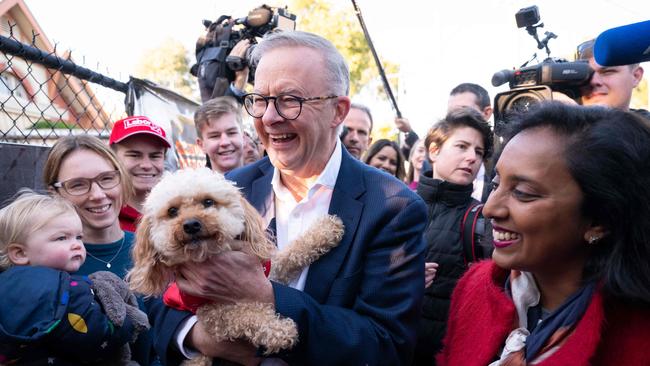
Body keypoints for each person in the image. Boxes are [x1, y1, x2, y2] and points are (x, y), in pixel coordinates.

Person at [150, 30, 428, 366]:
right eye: (260, 100)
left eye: (289, 100)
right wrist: (196, 335)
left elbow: (386, 346)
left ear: (337, 111)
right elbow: (158, 301)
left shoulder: (392, 206)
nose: (268, 117)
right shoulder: (227, 189)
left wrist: (266, 297)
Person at [438, 102, 650, 365]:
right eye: (495, 184)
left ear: (600, 220)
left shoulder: (637, 337)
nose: (489, 209)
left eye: (523, 193)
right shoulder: (475, 288)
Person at [43, 135, 157, 365]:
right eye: (78, 184)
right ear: (55, 193)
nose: (97, 194)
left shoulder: (158, 248)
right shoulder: (48, 263)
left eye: (107, 179)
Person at [0, 190, 144, 365]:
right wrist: (126, 325)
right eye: (62, 238)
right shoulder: (65, 289)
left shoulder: (7, 286)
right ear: (20, 253)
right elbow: (99, 332)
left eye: (79, 237)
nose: (76, 245)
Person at [412, 108, 493, 366]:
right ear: (433, 151)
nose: (471, 157)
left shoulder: (482, 218)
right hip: (389, 345)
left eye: (478, 152)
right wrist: (398, 275)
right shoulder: (395, 205)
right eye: (462, 146)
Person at [109, 115, 171, 232]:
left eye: (155, 156)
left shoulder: (178, 209)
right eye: (134, 155)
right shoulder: (103, 215)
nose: (146, 165)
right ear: (113, 158)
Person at [577, 39, 648, 117]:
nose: (593, 81)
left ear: (636, 76)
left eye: (607, 72)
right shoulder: (565, 125)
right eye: (587, 74)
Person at [447, 82, 494, 201]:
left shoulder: (505, 155)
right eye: (451, 112)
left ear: (487, 113)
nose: (456, 117)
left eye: (463, 110)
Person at [195, 96, 246, 174]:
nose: (225, 142)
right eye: (214, 136)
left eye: (231, 133)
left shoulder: (269, 181)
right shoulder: (193, 186)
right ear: (201, 145)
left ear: (243, 137)